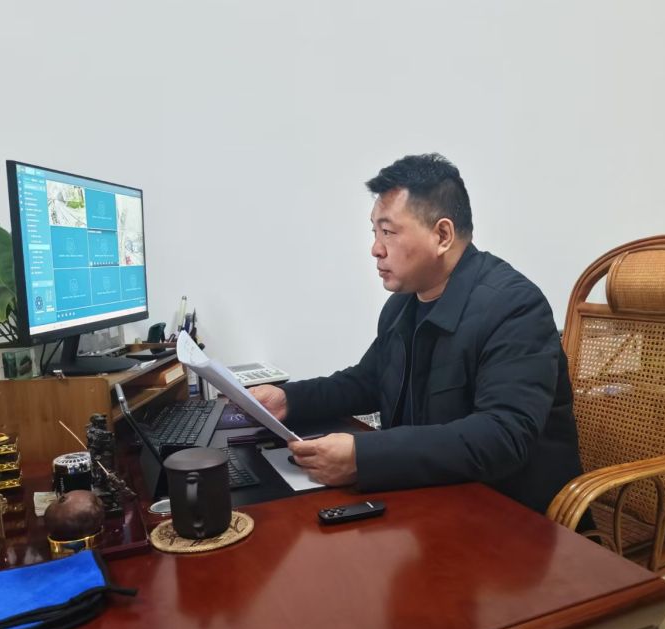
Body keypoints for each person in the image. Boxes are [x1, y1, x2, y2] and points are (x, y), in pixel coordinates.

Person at [251, 153, 585, 521]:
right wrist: (288, 399)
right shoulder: (403, 305)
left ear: (442, 235)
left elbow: (502, 436)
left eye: (389, 232)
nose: (376, 248)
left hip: (514, 520)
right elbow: (369, 380)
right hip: (431, 502)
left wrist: (364, 456)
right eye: (374, 232)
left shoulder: (514, 306)